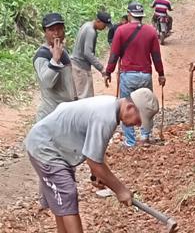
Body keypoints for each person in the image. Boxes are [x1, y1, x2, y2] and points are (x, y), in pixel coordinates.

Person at [25, 87, 159, 233]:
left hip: (56, 146)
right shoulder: (105, 117)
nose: (138, 124)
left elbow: (95, 152)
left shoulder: (110, 107)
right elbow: (94, 162)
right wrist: (120, 190)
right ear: (130, 107)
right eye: (139, 119)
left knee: (63, 201)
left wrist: (97, 174)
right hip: (45, 146)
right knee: (67, 194)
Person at [105, 1, 166, 147]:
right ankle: (145, 136)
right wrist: (161, 74)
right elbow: (156, 56)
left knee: (127, 107)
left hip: (128, 74)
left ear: (129, 14)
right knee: (145, 105)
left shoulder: (121, 31)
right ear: (142, 16)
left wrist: (108, 72)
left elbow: (114, 55)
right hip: (145, 74)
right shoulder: (151, 31)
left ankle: (130, 141)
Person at [33, 13, 76, 121]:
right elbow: (47, 82)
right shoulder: (42, 55)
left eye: (59, 29)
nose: (56, 33)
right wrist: (55, 60)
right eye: (51, 30)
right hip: (50, 115)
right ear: (45, 32)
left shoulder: (63, 52)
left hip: (66, 112)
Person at [71, 11, 111, 99]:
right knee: (85, 98)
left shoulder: (87, 25)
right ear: (98, 21)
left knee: (77, 95)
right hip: (80, 68)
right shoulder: (91, 31)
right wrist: (101, 68)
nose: (104, 28)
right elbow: (88, 53)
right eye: (104, 25)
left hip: (75, 65)